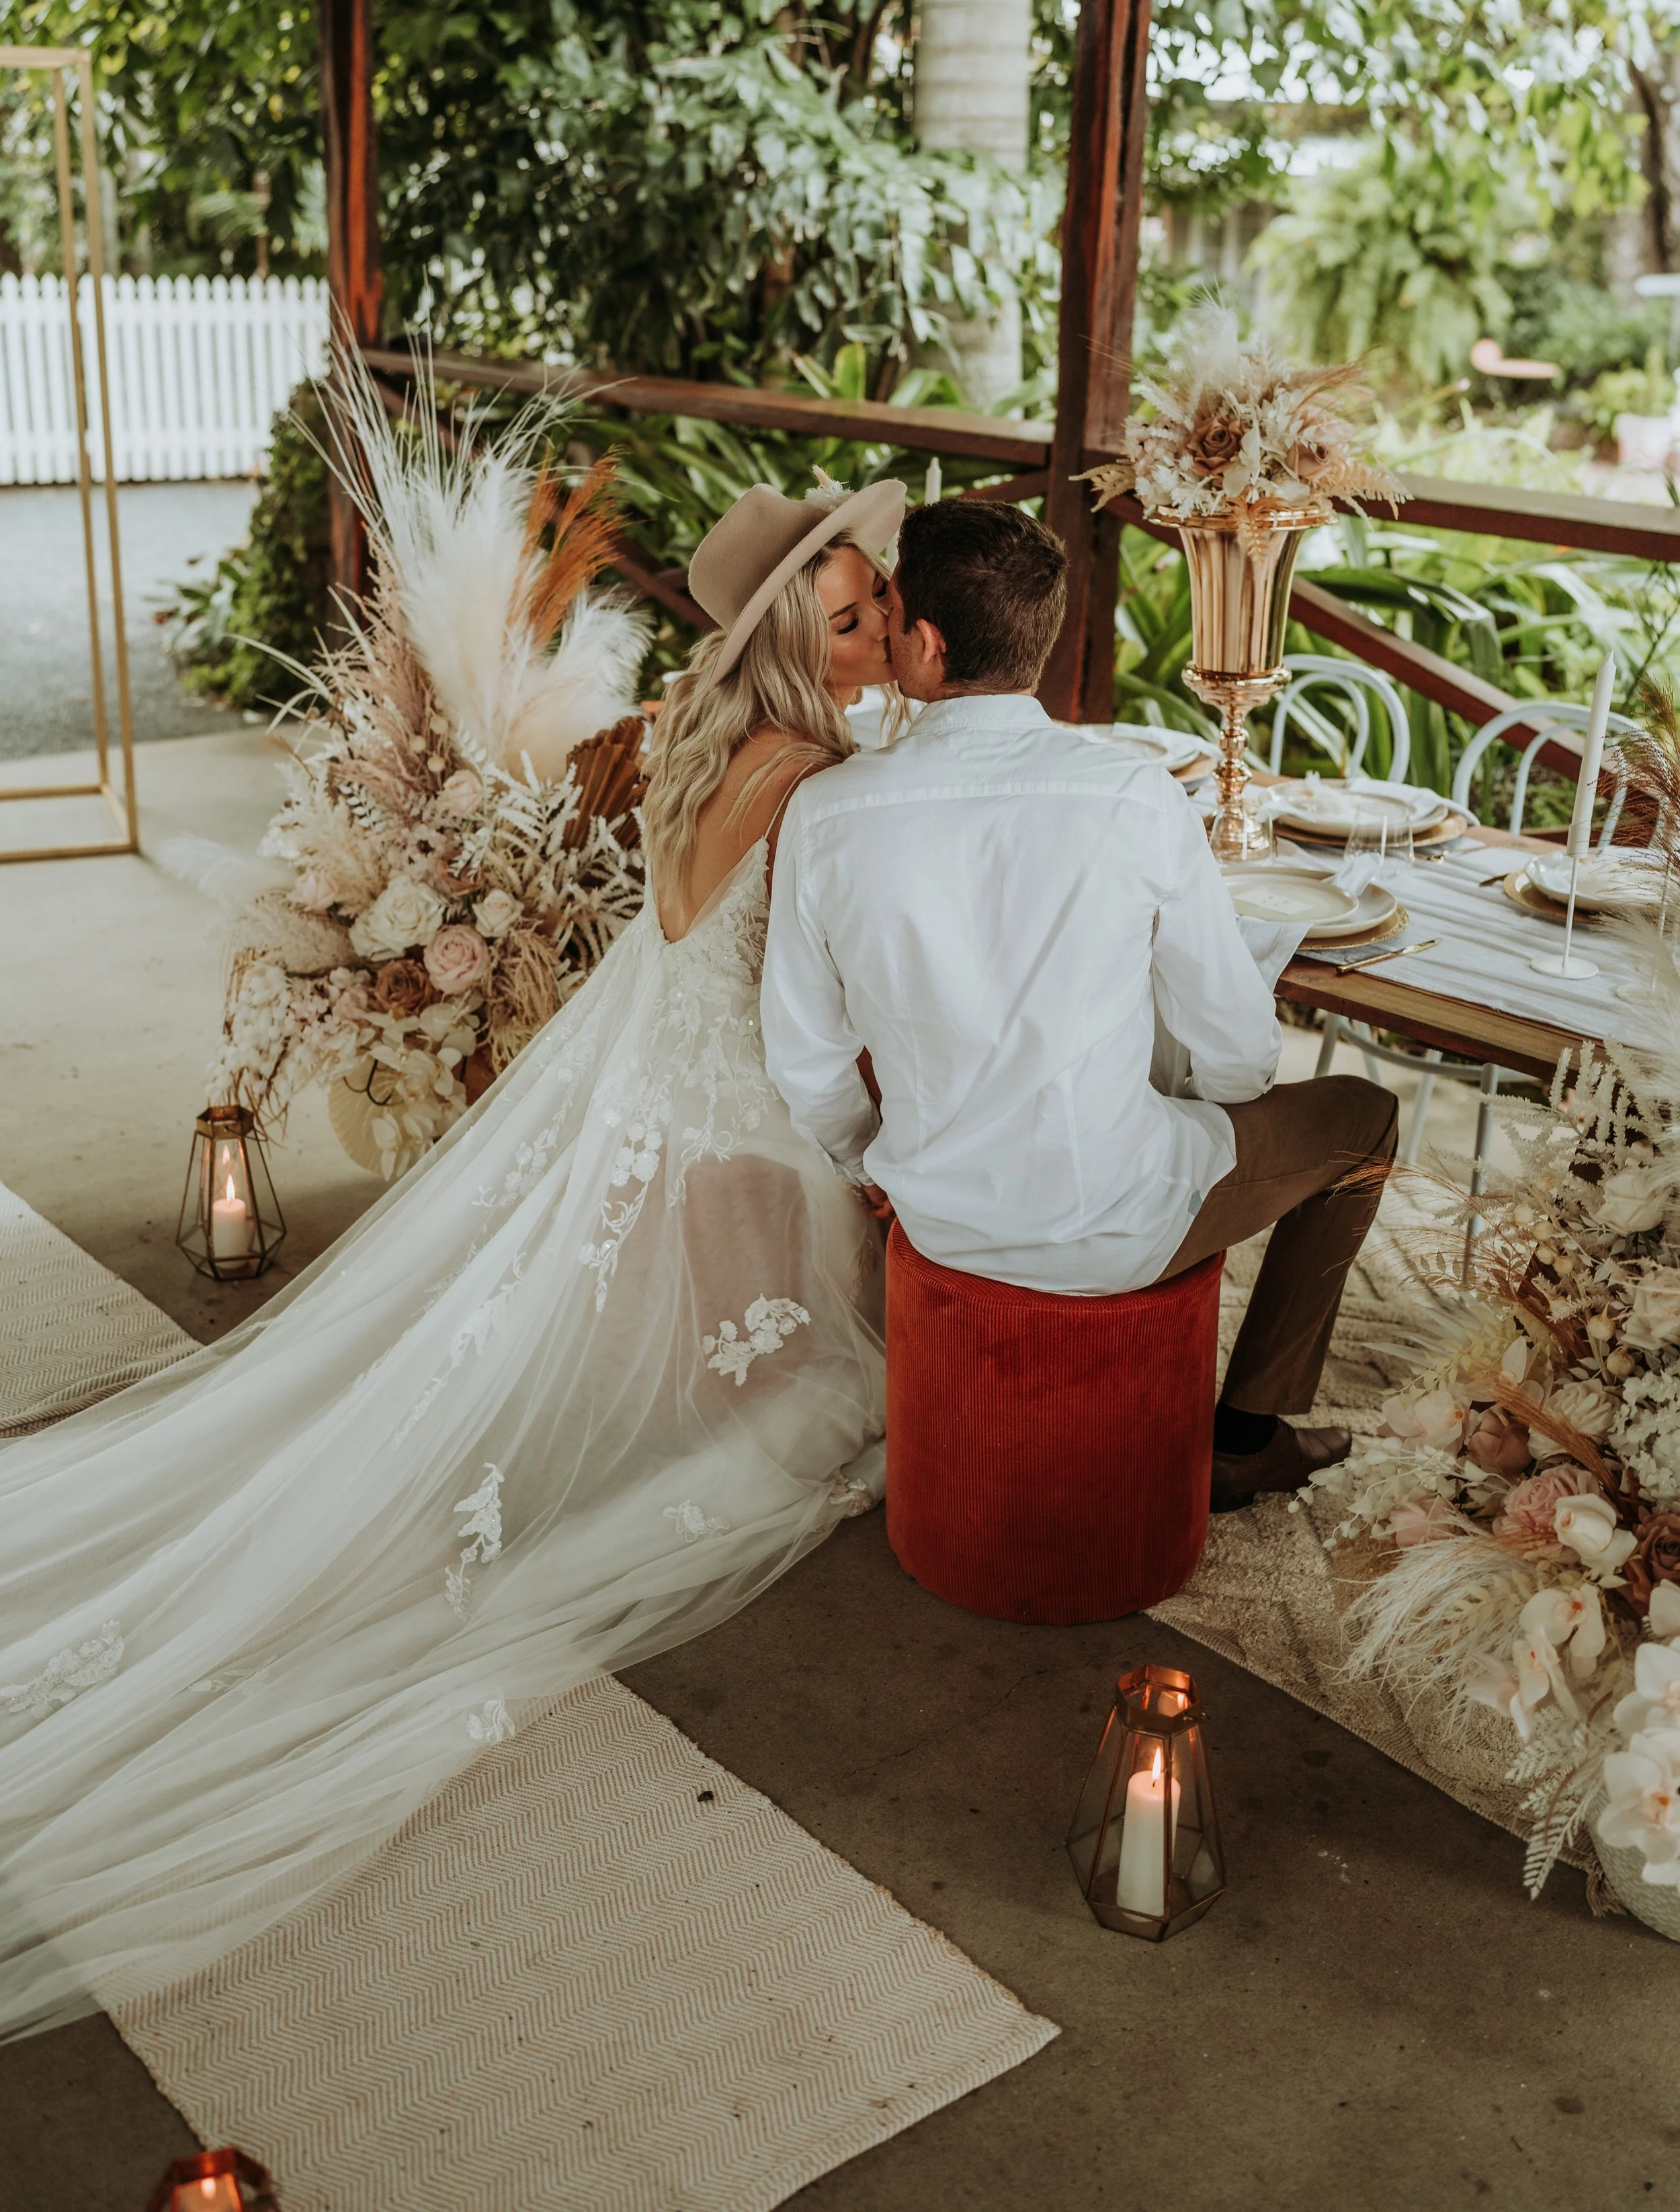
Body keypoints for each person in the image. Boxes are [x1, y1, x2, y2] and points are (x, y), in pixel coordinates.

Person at [0, 477, 903, 2043]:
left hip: (671, 1108)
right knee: (826, 1408)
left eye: (878, 597)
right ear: (786, 651)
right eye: (850, 615)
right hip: (748, 1122)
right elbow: (823, 990)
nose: (884, 622)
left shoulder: (711, 738)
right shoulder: (810, 778)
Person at [759, 496, 1398, 1514]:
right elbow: (1237, 1052)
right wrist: (1191, 1106)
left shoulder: (827, 813)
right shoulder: (1137, 793)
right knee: (1366, 1120)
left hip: (935, 1218)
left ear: (922, 644)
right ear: (1038, 636)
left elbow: (805, 1062)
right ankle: (1245, 1433)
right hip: (1117, 1221)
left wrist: (876, 1164)